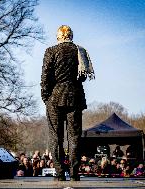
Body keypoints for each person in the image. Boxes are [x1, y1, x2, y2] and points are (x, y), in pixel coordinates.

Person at [41, 25, 94, 181]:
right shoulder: (80, 51)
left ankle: (59, 173)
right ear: (71, 36)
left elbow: (45, 77)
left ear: (58, 37)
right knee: (74, 137)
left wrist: (45, 97)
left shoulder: (50, 51)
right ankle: (74, 172)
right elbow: (83, 77)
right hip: (75, 97)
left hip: (54, 98)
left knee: (55, 137)